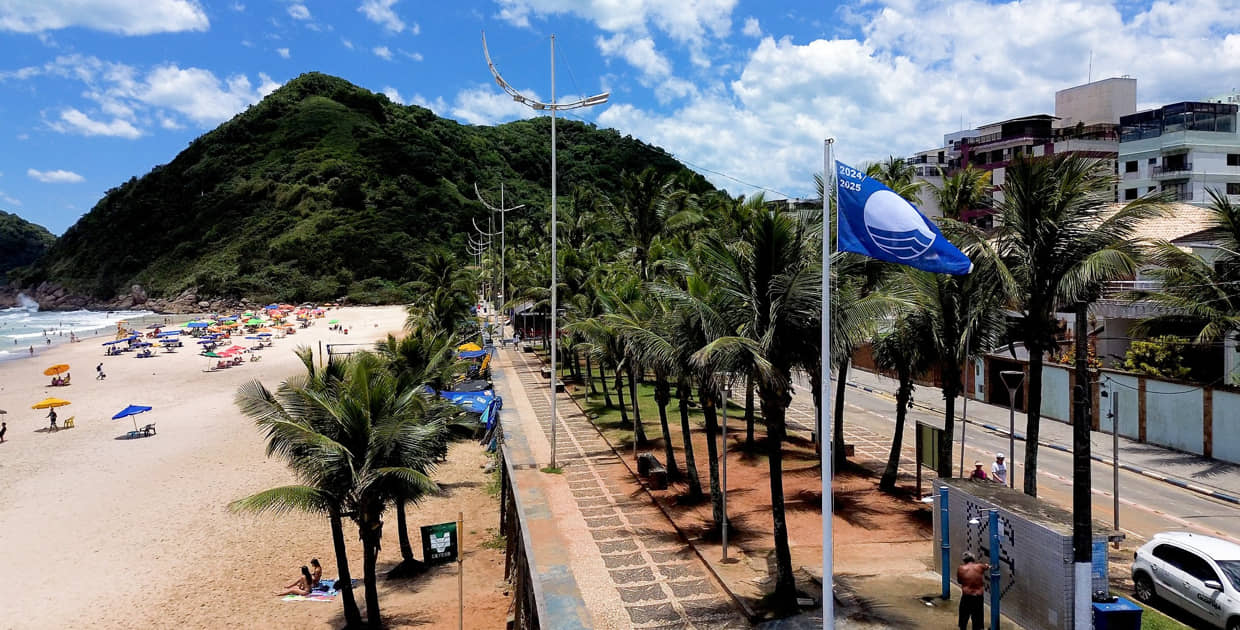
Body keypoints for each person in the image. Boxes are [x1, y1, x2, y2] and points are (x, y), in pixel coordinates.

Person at [957, 551, 989, 630]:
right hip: (978, 597)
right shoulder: (980, 566)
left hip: (967, 596)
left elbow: (959, 581)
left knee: (963, 619)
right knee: (977, 620)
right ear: (973, 559)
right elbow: (987, 566)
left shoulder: (961, 569)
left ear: (964, 560)